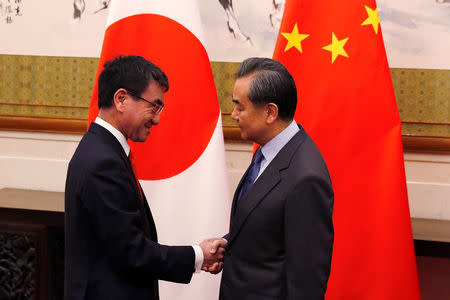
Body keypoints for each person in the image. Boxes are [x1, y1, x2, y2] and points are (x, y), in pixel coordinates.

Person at [64, 55, 225, 300]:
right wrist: (199, 255)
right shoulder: (103, 161)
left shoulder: (102, 149)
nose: (158, 119)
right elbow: (131, 251)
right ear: (121, 99)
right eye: (154, 106)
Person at [218, 57, 334, 299]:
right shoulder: (270, 150)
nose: (233, 114)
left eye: (240, 107)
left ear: (270, 112)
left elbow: (307, 280)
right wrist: (226, 244)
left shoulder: (306, 178)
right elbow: (269, 230)